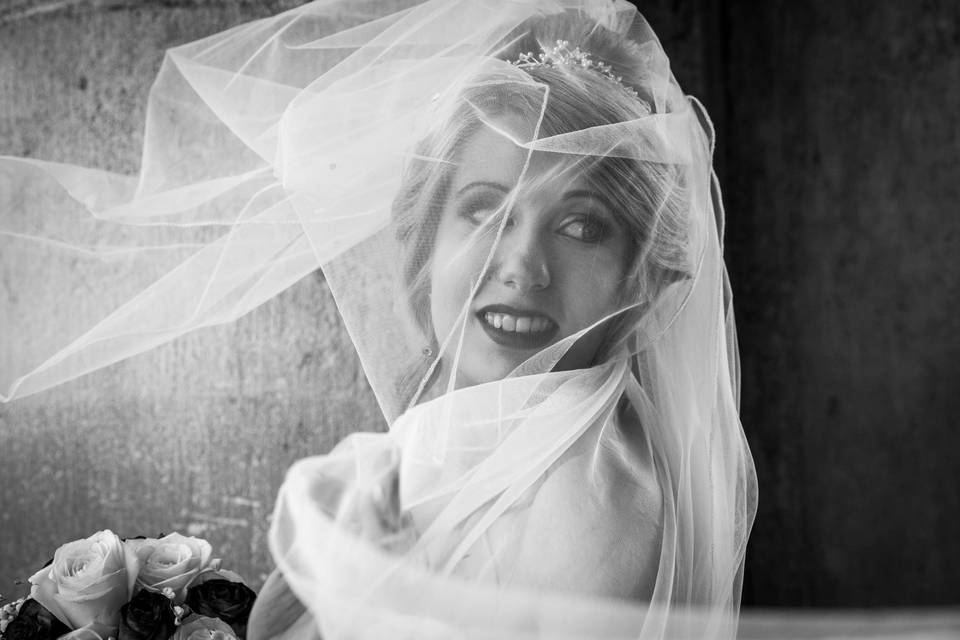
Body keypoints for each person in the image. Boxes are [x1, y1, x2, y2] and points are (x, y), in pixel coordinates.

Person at [0, 1, 756, 638]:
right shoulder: (485, 443)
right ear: (428, 242)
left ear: (642, 276)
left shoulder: (593, 506)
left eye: (581, 226)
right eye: (484, 208)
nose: (522, 264)